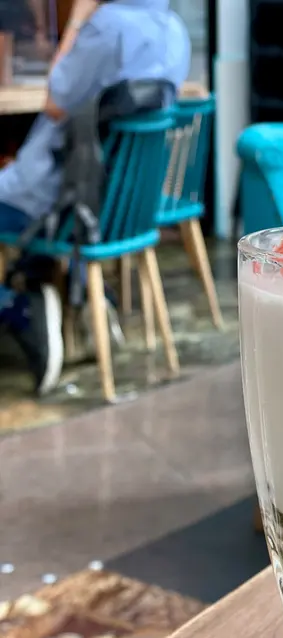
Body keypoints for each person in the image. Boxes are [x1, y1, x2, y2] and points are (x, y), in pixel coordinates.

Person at [0, 0, 191, 395]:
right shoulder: (174, 30)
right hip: (122, 206)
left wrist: (76, 20)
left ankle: (19, 307)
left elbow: (55, 102)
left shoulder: (106, 27)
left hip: (61, 203)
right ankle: (86, 290)